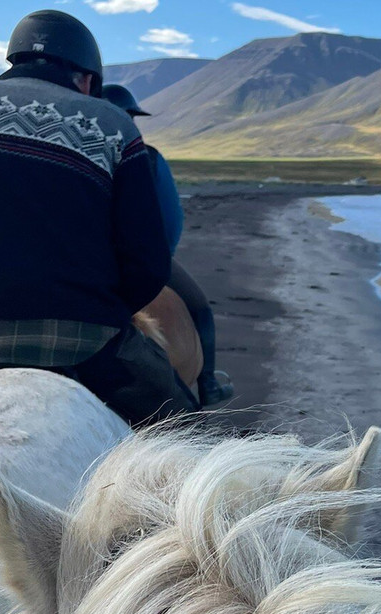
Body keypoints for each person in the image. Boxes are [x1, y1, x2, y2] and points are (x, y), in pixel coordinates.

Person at [0, 10, 198, 425]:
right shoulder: (112, 125)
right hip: (76, 340)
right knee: (182, 429)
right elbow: (147, 261)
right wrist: (101, 311)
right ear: (86, 77)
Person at [102, 84, 234, 407]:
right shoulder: (146, 156)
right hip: (138, 255)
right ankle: (208, 382)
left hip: (86, 255)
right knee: (199, 308)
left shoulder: (81, 151)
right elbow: (169, 219)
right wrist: (162, 257)